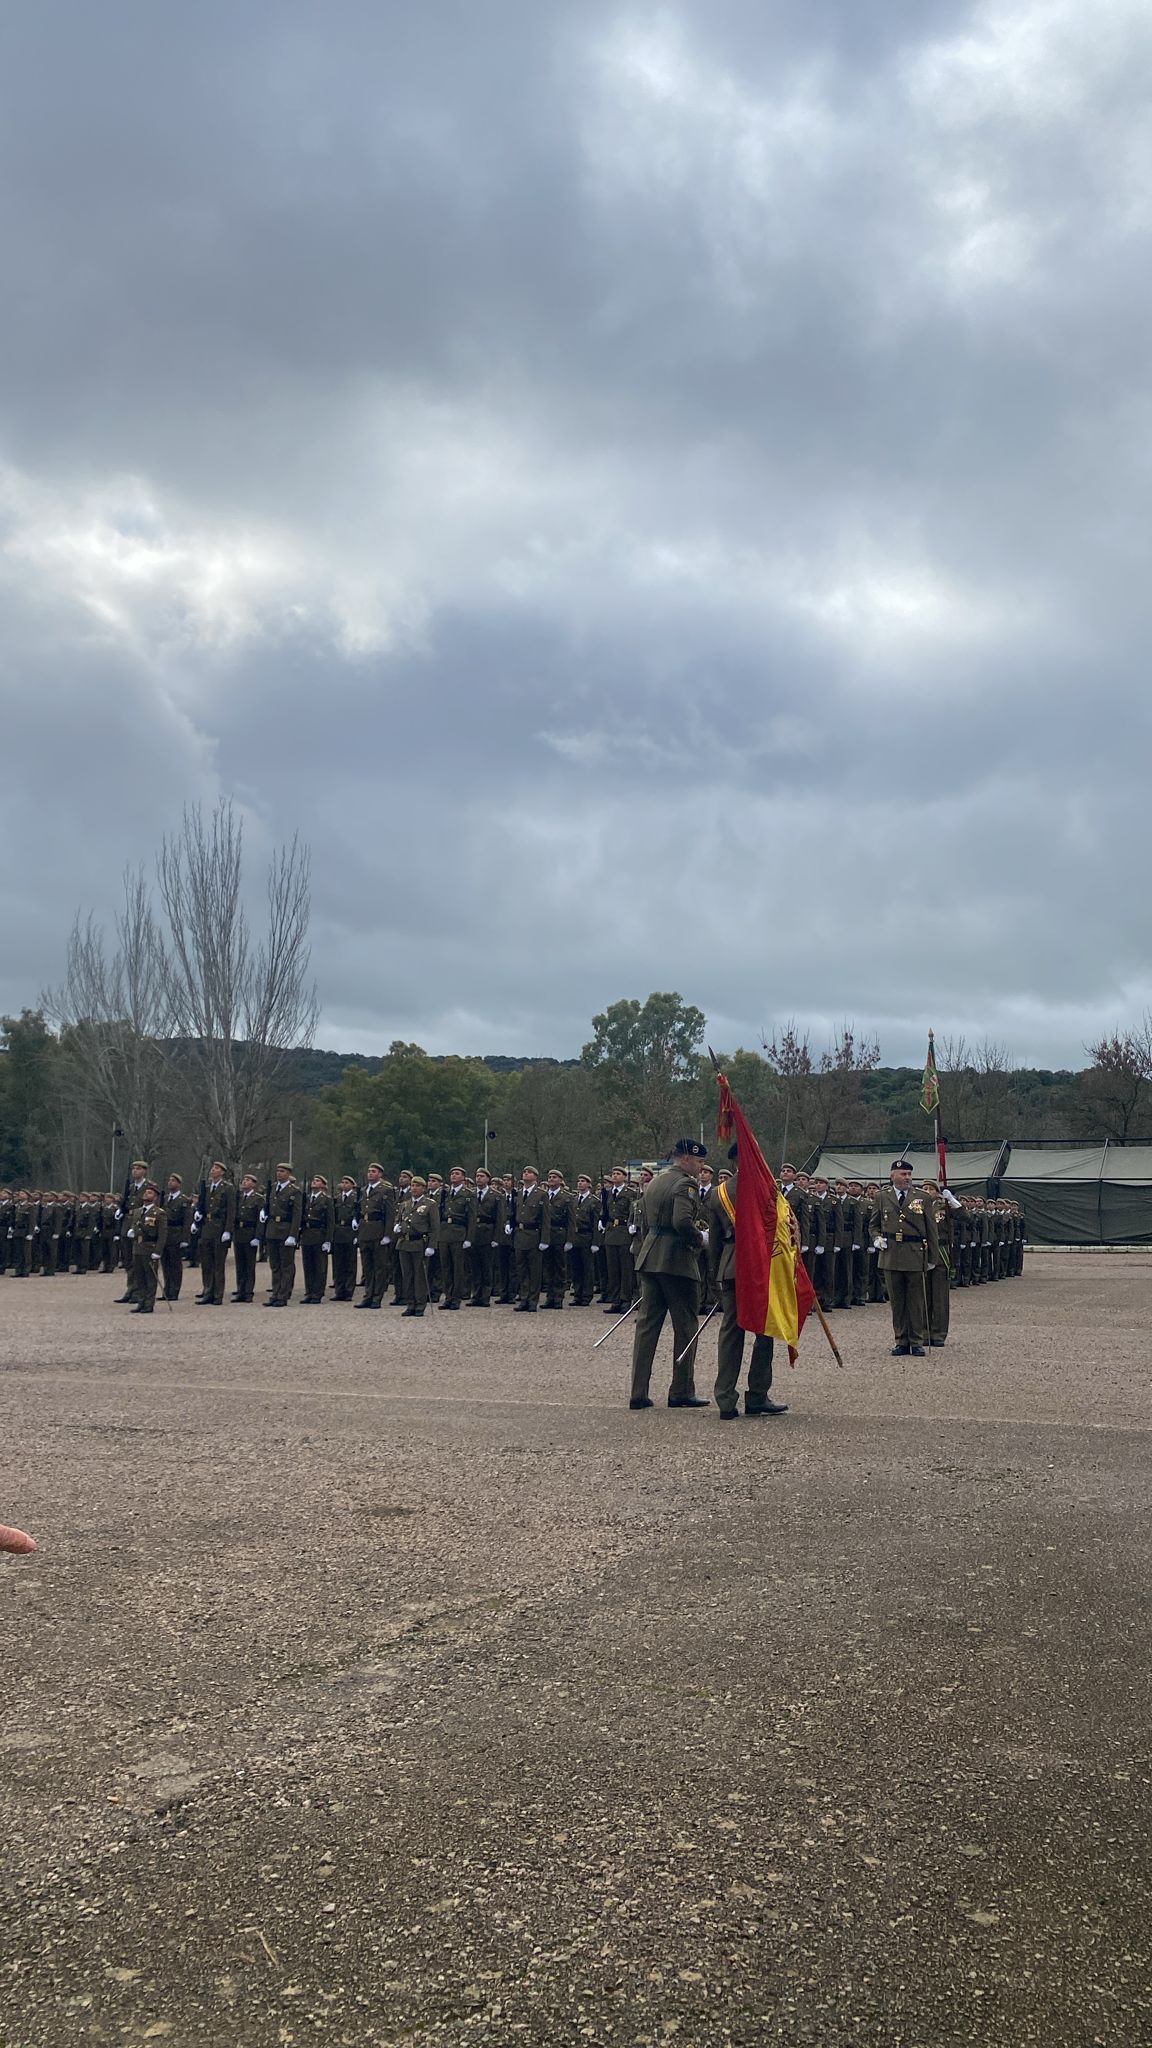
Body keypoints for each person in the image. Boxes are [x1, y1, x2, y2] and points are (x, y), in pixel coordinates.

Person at [628, 1139, 710, 1410]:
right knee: (685, 1326)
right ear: (686, 1159)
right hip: (676, 1260)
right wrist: (701, 1240)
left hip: (650, 1257)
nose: (701, 1167)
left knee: (646, 1328)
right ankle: (682, 1390)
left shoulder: (655, 1182)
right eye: (699, 1162)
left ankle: (638, 1392)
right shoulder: (686, 1184)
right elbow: (682, 1221)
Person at [711, 1143, 788, 1419]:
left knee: (731, 1333)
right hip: (759, 1265)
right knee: (763, 1330)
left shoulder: (719, 1192)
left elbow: (716, 1241)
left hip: (731, 1267)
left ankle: (725, 1400)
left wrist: (715, 1275)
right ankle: (757, 1395)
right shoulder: (767, 1187)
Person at [874, 1159, 940, 1356]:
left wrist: (932, 1258)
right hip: (891, 1254)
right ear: (892, 1175)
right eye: (903, 1174)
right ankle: (901, 1340)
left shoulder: (922, 1197)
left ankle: (916, 1340)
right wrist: (876, 1238)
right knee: (897, 1301)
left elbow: (931, 1230)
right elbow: (874, 1224)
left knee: (916, 1301)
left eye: (909, 1174)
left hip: (914, 1254)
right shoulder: (881, 1197)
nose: (907, 1178)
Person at [396, 1175, 438, 1315]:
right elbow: (399, 1220)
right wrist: (397, 1227)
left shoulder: (430, 1204)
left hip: (419, 1243)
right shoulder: (405, 1204)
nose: (414, 1188)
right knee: (407, 1275)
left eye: (418, 1186)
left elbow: (434, 1227)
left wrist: (432, 1245)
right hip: (404, 1243)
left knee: (420, 1276)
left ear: (424, 1188)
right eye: (413, 1185)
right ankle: (410, 1303)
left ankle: (420, 1304)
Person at [195, 1162, 237, 1306]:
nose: (213, 1170)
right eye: (212, 1168)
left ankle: (218, 1294)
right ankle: (208, 1291)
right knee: (207, 1264)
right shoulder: (207, 1188)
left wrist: (228, 1230)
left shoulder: (228, 1188)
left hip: (220, 1227)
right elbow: (202, 1207)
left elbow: (231, 1211)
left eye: (217, 1169)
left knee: (218, 1265)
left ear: (222, 1172)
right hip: (207, 1227)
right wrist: (198, 1219)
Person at [356, 1164, 396, 1309]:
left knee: (380, 1266)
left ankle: (377, 1297)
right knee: (367, 1267)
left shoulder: (386, 1190)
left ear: (380, 1174)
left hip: (378, 1229)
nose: (370, 1174)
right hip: (365, 1230)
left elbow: (390, 1214)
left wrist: (387, 1234)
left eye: (373, 1172)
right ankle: (368, 1295)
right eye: (369, 1171)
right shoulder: (363, 1190)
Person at [264, 1163, 303, 1307]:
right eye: (278, 1171)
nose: (279, 1173)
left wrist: (293, 1234)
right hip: (273, 1229)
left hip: (285, 1229)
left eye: (282, 1171)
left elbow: (296, 1214)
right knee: (274, 1264)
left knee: (286, 1264)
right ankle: (275, 1292)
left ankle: (283, 1294)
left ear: (289, 1173)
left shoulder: (294, 1191)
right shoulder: (274, 1188)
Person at [511, 1166, 548, 1312]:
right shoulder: (519, 1193)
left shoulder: (541, 1194)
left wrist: (545, 1239)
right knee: (521, 1270)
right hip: (520, 1235)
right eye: (524, 1171)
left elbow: (546, 1219)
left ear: (535, 1177)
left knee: (534, 1271)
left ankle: (533, 1300)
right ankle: (524, 1298)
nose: (526, 1173)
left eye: (530, 1172)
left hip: (533, 1235)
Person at [438, 1167, 476, 1310]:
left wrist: (469, 1238)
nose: (454, 1176)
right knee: (446, 1267)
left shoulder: (468, 1194)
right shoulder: (445, 1193)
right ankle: (448, 1296)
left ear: (463, 1178)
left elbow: (472, 1218)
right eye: (452, 1173)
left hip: (459, 1233)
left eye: (457, 1174)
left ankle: (456, 1298)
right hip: (444, 1233)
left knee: (458, 1268)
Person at [129, 1182, 167, 1313]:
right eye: (146, 1192)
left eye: (150, 1192)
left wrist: (158, 1251)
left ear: (155, 1197)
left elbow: (162, 1234)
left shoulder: (158, 1213)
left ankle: (149, 1304)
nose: (146, 1194)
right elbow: (135, 1226)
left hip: (150, 1247)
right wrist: (132, 1232)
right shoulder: (138, 1211)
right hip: (138, 1247)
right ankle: (141, 1302)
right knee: (139, 1277)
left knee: (150, 1278)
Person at [301, 1174, 335, 1303]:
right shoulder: (308, 1198)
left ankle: (317, 1293)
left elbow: (330, 1221)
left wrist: (328, 1240)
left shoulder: (326, 1200)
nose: (314, 1183)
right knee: (308, 1265)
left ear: (323, 1185)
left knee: (319, 1266)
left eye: (317, 1181)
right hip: (307, 1234)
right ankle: (309, 1292)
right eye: (313, 1180)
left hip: (319, 1234)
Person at [232, 1173, 264, 1302]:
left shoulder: (258, 1199)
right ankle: (240, 1290)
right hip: (239, 1233)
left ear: (253, 1184)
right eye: (244, 1180)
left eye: (248, 1180)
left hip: (250, 1233)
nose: (244, 1182)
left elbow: (260, 1219)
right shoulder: (239, 1198)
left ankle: (248, 1292)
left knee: (249, 1265)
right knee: (240, 1265)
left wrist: (258, 1236)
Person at [330, 1175, 360, 1301]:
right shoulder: (337, 1198)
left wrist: (357, 1235)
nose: (344, 1184)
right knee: (338, 1264)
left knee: (350, 1264)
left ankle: (348, 1291)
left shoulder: (356, 1198)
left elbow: (359, 1216)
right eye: (342, 1182)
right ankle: (339, 1290)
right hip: (338, 1233)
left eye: (347, 1182)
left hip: (349, 1231)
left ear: (352, 1185)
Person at [162, 1174, 190, 1301]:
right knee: (165, 1264)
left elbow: (187, 1221)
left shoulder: (184, 1200)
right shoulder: (165, 1198)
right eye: (169, 1180)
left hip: (176, 1234)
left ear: (179, 1184)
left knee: (175, 1265)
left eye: (173, 1181)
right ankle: (166, 1290)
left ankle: (174, 1290)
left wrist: (185, 1239)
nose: (170, 1182)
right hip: (165, 1234)